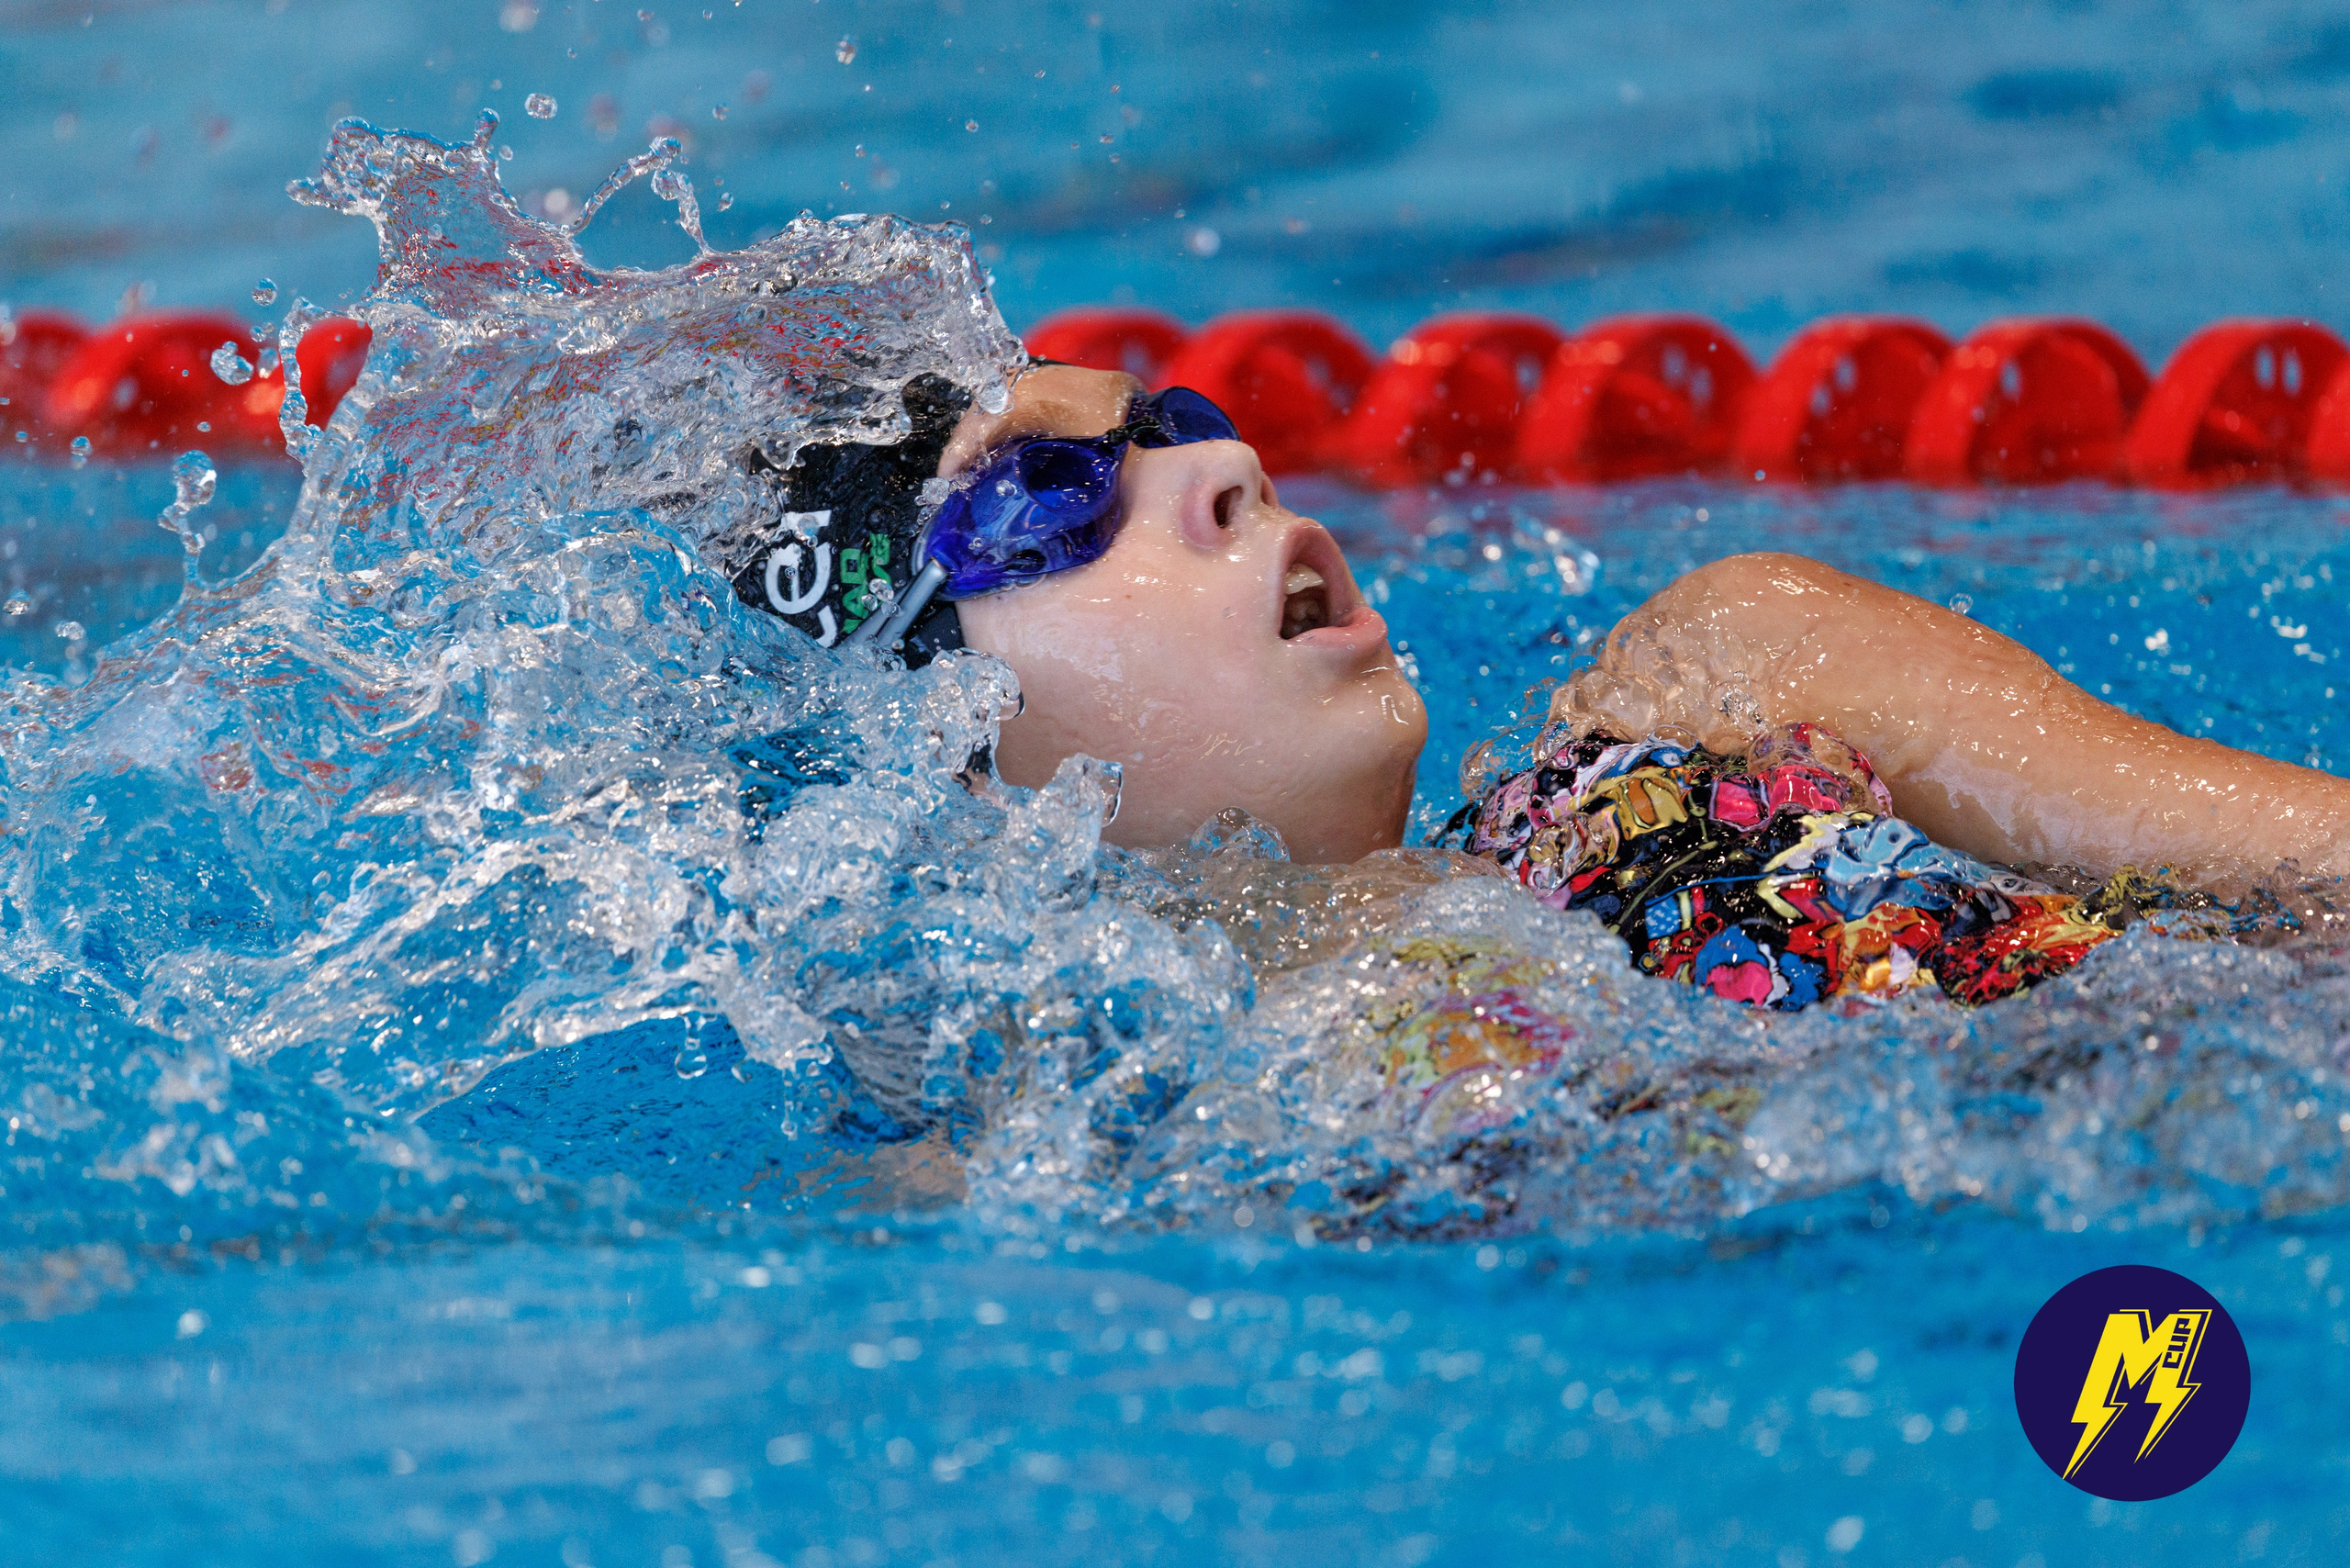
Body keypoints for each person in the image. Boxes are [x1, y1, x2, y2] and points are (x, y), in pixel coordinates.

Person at [731, 360, 2350, 1014]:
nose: (1226, 463)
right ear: (927, 752)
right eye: (1046, 503)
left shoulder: (1736, 682)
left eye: (1173, 421)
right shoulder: (1117, 1151)